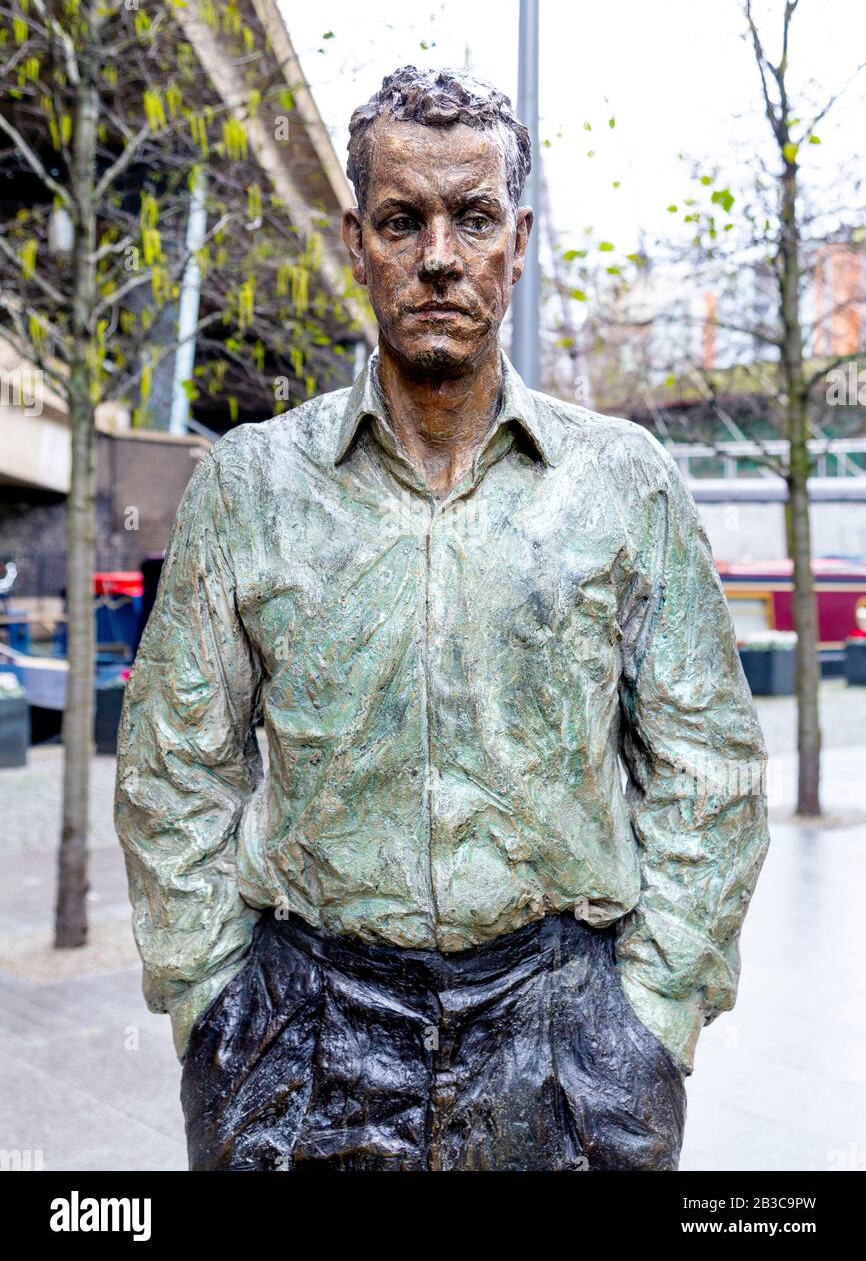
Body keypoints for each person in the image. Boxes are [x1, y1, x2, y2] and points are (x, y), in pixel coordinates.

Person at [115, 67, 769, 1172]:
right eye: (400, 219)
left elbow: (706, 764)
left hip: (567, 1032)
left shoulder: (623, 483)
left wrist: (650, 1014)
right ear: (355, 240)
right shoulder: (247, 486)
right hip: (299, 1027)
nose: (436, 256)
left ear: (513, 239)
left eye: (470, 219)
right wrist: (212, 1003)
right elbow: (174, 767)